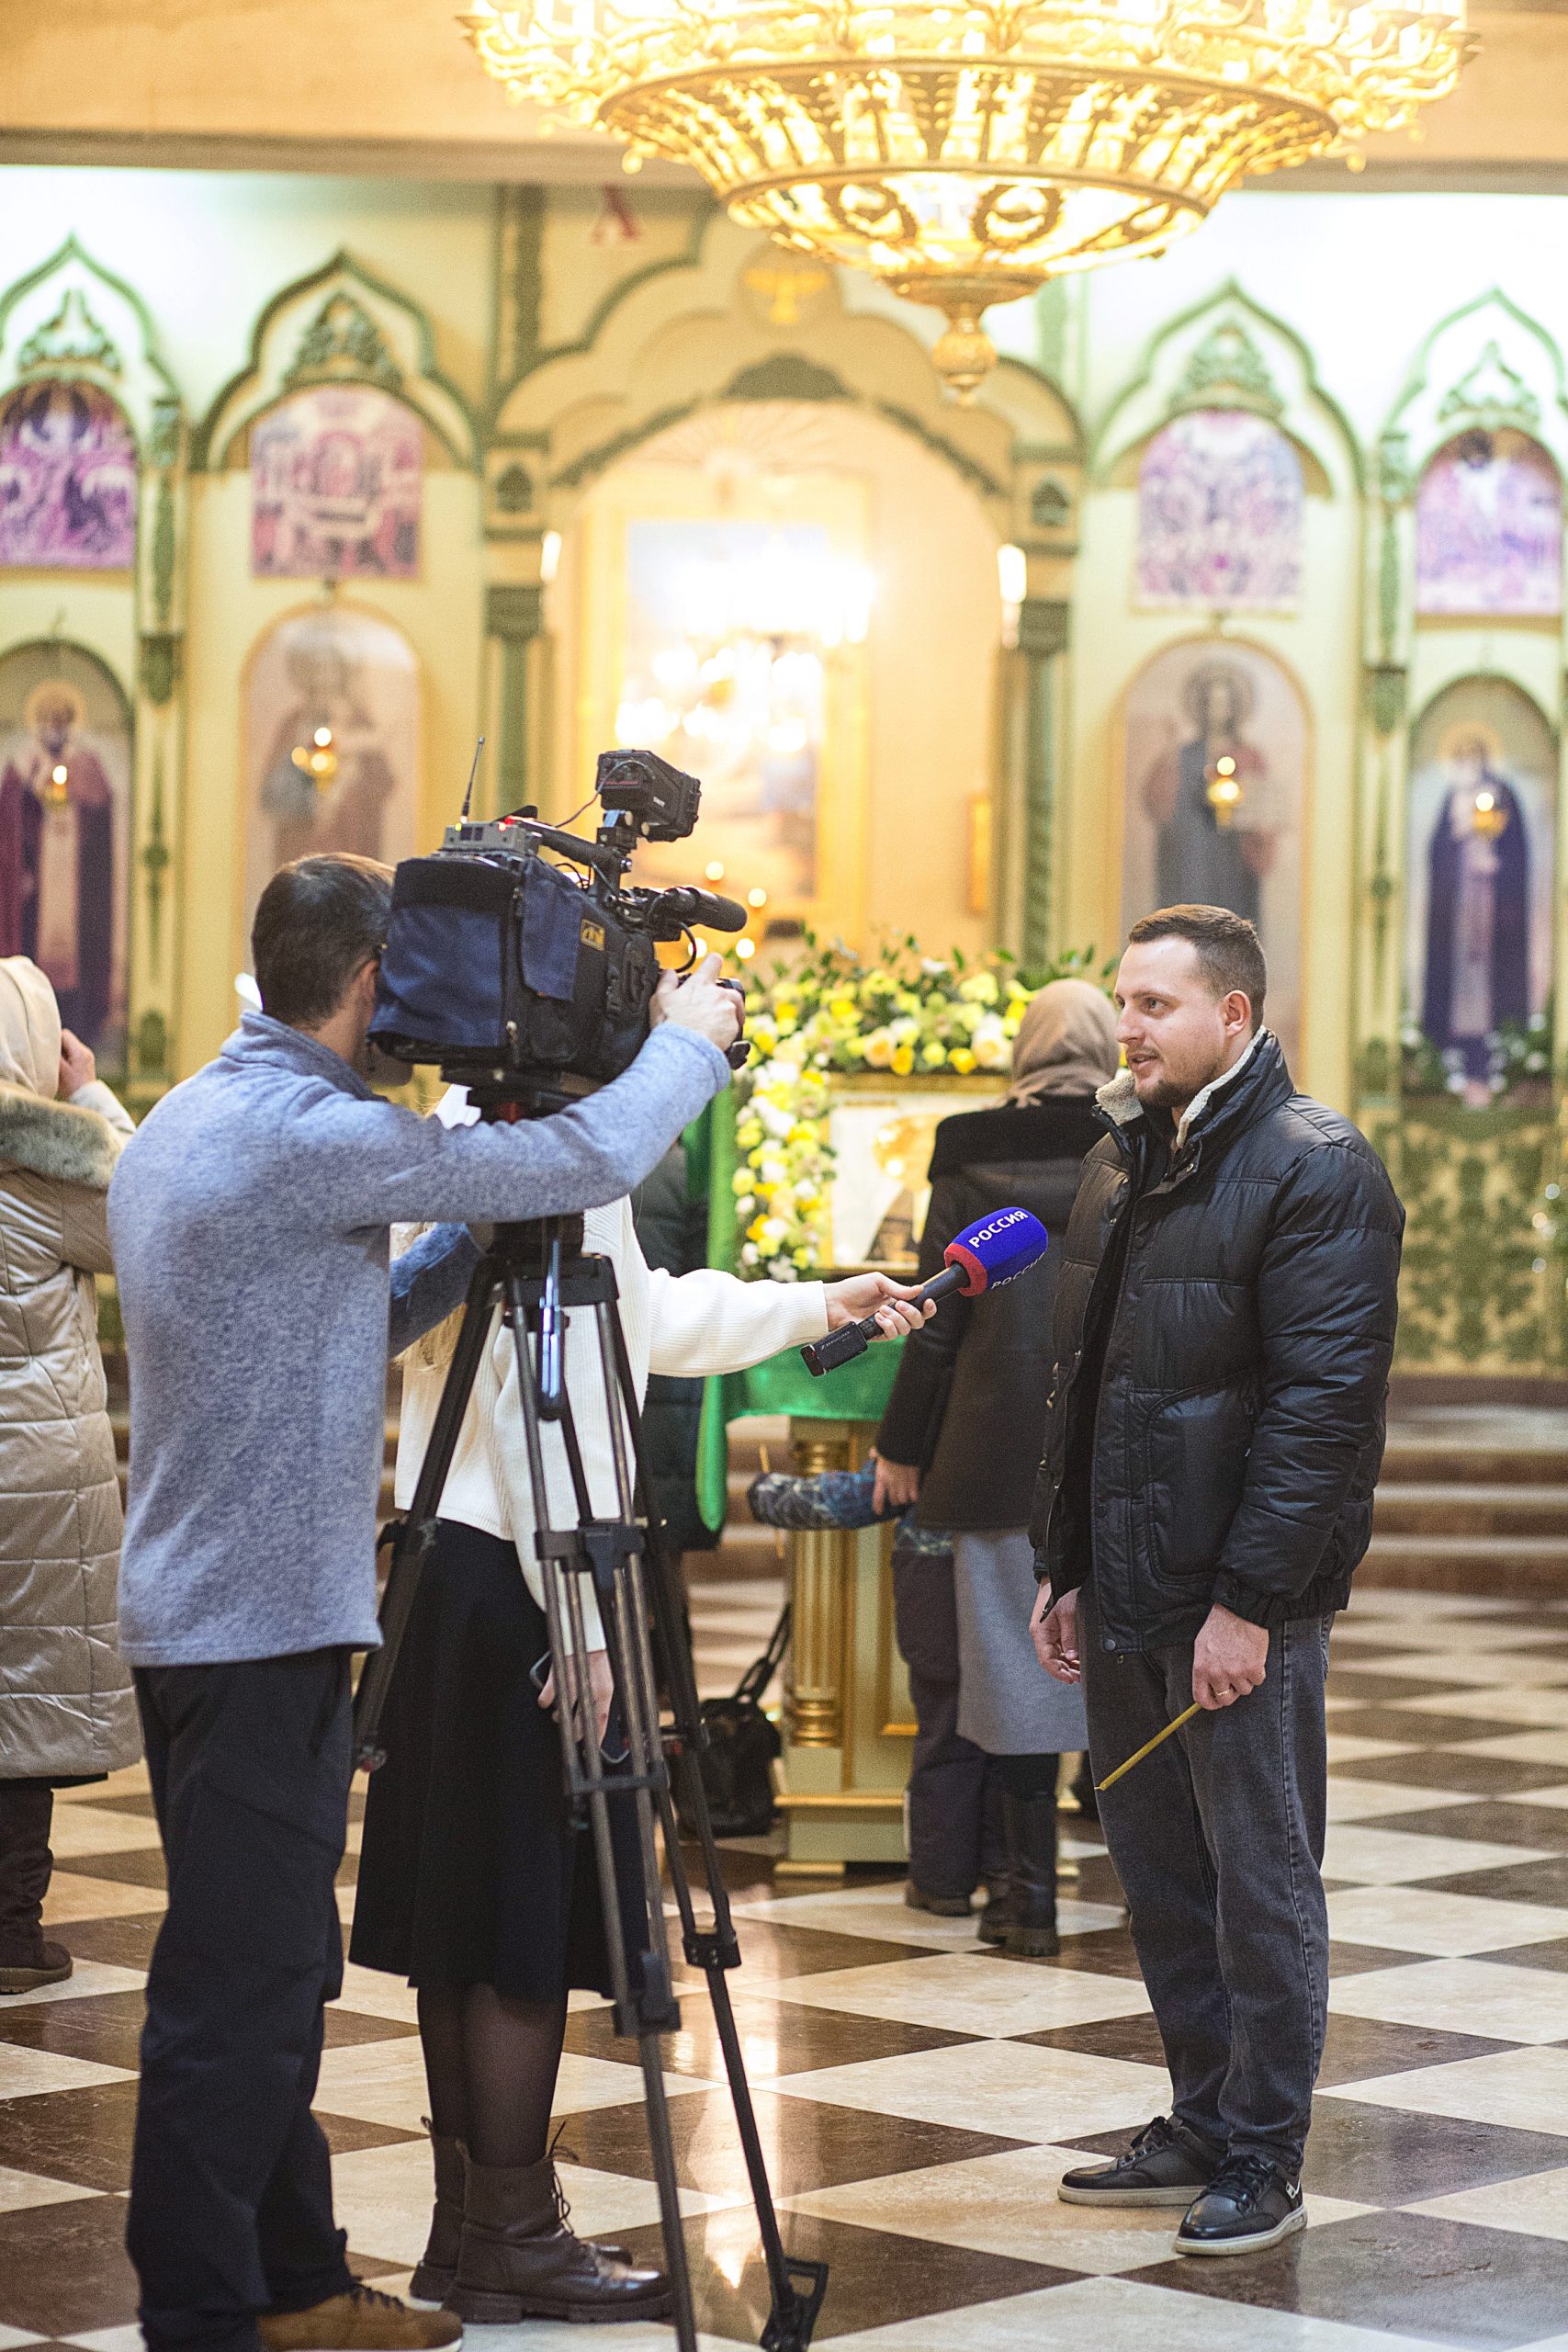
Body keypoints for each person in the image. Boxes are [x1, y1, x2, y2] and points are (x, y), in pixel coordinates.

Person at [108, 853, 744, 2352]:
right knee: (238, 1995)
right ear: (370, 982)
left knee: (265, 1977)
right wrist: (686, 1045)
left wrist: (465, 1249)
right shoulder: (310, 1132)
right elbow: (580, 1160)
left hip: (206, 1610)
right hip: (256, 1625)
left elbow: (352, 1318)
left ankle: (298, 2286)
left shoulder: (203, 1110)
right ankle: (202, 2317)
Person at [349, 1087, 931, 2324]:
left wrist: (816, 1304)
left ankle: (472, 2233)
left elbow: (634, 1312)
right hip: (527, 1569)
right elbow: (539, 1391)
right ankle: (511, 2235)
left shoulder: (474, 1126)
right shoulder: (549, 1146)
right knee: (518, 1921)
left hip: (457, 1566)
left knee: (465, 1917)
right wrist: (581, 1618)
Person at [1029, 904, 1403, 2256]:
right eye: (1123, 1001)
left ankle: (1263, 2154)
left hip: (1236, 1603)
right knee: (1160, 1873)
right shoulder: (1119, 1157)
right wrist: (1064, 1564)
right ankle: (1199, 2114)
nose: (1126, 1027)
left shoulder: (1317, 1167)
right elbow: (1083, 1388)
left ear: (1232, 1016)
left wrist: (1248, 1603)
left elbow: (1320, 1415)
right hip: (1125, 1584)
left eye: (1155, 1005)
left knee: (1259, 1880)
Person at [874, 979, 1118, 1955]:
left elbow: (934, 1323)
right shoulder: (1139, 1145)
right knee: (1120, 1672)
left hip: (990, 1455)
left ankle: (1025, 1901)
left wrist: (902, 1445)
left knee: (1018, 1674)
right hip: (1113, 1455)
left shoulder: (971, 1155)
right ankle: (1148, 1896)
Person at [0, 956, 140, 1990]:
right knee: (29, 1698)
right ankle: (9, 1933)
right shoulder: (45, 1164)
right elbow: (151, 1212)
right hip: (38, 1474)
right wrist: (90, 1096)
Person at [745, 1459, 998, 1917]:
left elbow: (872, 1490)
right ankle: (1021, 1899)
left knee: (946, 1731)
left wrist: (766, 1495)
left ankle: (943, 1883)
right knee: (1021, 1743)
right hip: (1023, 1580)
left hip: (937, 1575)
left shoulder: (939, 1415)